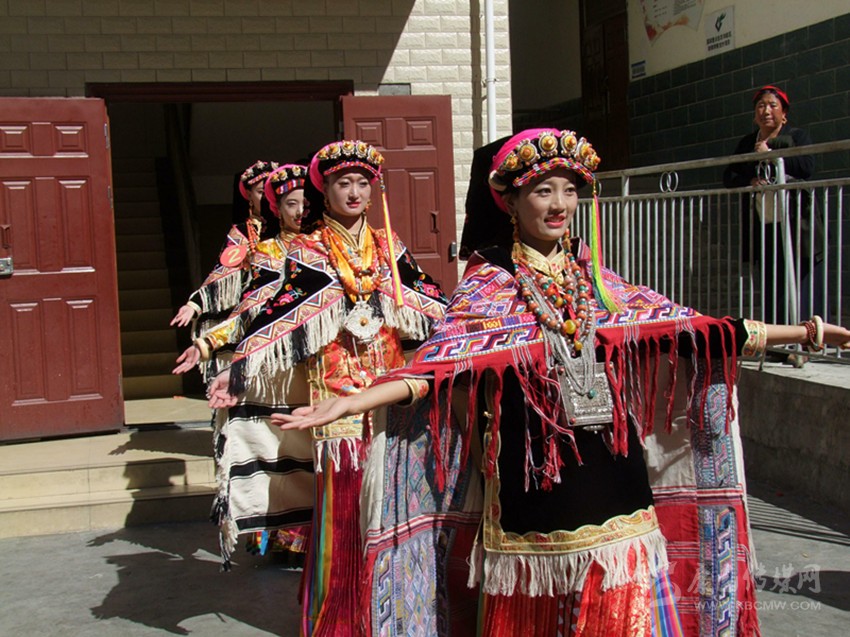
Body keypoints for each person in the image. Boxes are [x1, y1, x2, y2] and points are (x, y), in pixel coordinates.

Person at [277, 129, 850, 637]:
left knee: (623, 597)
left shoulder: (595, 279)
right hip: (531, 473)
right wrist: (351, 402)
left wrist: (807, 331)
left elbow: (691, 328)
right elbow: (436, 369)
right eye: (543, 191)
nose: (559, 205)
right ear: (511, 201)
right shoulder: (490, 283)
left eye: (570, 191)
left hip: (611, 462)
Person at [208, 140, 448, 636]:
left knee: (390, 507)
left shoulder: (389, 247)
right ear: (326, 189)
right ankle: (340, 618)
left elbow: (433, 304)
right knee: (344, 514)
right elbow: (267, 313)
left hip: (387, 397)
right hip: (333, 403)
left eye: (363, 183)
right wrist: (237, 365)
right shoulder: (306, 250)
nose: (354, 192)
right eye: (343, 183)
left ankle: (395, 614)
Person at [173, 163, 313, 567]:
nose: (300, 211)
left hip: (321, 365)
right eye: (291, 204)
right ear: (275, 207)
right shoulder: (262, 250)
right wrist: (204, 332)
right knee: (278, 447)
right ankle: (281, 535)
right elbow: (245, 303)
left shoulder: (323, 245)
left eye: (305, 202)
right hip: (276, 363)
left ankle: (322, 538)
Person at [723, 85, 824, 328]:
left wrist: (769, 154)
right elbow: (729, 175)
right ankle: (780, 338)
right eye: (761, 106)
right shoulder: (748, 142)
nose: (766, 111)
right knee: (773, 282)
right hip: (765, 223)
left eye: (772, 105)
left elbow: (806, 167)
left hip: (797, 223)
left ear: (784, 114)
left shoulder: (796, 137)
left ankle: (808, 337)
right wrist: (749, 180)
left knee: (802, 281)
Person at [170, 159, 280, 380]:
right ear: (248, 195)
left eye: (273, 190)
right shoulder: (242, 233)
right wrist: (195, 304)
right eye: (261, 192)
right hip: (253, 309)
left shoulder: (300, 230)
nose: (267, 197)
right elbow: (223, 274)